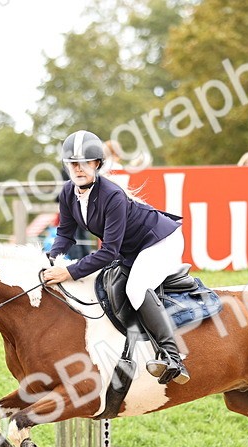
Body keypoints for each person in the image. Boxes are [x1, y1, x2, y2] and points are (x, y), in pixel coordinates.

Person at [41, 130, 190, 385]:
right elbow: (65, 235)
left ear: (97, 164)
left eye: (85, 163)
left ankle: (172, 357)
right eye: (72, 163)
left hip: (159, 242)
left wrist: (68, 272)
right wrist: (50, 262)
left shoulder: (112, 194)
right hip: (131, 249)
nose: (78, 169)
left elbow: (108, 251)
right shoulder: (67, 193)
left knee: (135, 289)